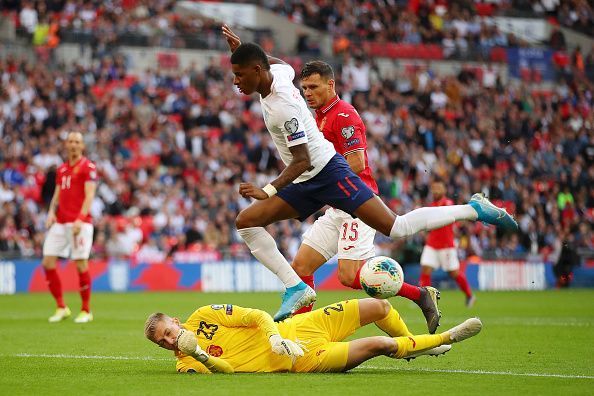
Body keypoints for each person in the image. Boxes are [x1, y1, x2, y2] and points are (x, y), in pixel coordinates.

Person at [222, 25, 517, 322]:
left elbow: (304, 160)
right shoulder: (280, 77)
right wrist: (243, 48)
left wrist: (268, 190)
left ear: (257, 70)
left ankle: (473, 209)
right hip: (308, 181)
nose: (235, 82)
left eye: (240, 75)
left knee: (395, 229)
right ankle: (296, 290)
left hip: (327, 175)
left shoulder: (285, 107)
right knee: (247, 222)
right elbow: (281, 65)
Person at [291, 60, 441, 333]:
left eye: (313, 87)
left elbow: (357, 163)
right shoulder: (320, 116)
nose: (308, 93)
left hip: (357, 204)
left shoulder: (344, 115)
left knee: (349, 277)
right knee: (301, 265)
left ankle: (419, 295)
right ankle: (300, 331)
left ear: (330, 84)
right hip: (338, 205)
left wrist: (319, 181)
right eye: (304, 88)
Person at [144, 297, 483, 374]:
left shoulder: (204, 315)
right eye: (164, 342)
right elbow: (228, 371)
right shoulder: (186, 364)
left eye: (170, 333)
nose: (171, 342)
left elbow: (258, 316)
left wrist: (274, 336)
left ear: (176, 321)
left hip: (302, 328)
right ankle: (443, 339)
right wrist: (203, 355)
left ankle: (412, 346)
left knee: (379, 306)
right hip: (303, 359)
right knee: (380, 345)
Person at [42, 131, 97, 323]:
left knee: (81, 263)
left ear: (82, 146)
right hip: (60, 222)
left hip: (79, 223)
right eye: (70, 141)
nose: (73, 144)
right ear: (66, 145)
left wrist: (81, 219)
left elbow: (90, 195)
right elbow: (57, 194)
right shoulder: (62, 169)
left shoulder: (88, 167)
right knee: (48, 261)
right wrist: (51, 212)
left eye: (77, 142)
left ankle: (86, 310)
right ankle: (61, 307)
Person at [419, 181, 475, 307]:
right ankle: (424, 299)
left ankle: (469, 295)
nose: (435, 191)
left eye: (438, 188)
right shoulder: (432, 205)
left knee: (453, 273)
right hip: (432, 244)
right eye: (433, 188)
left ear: (444, 190)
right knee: (425, 269)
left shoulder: (447, 204)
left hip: (446, 246)